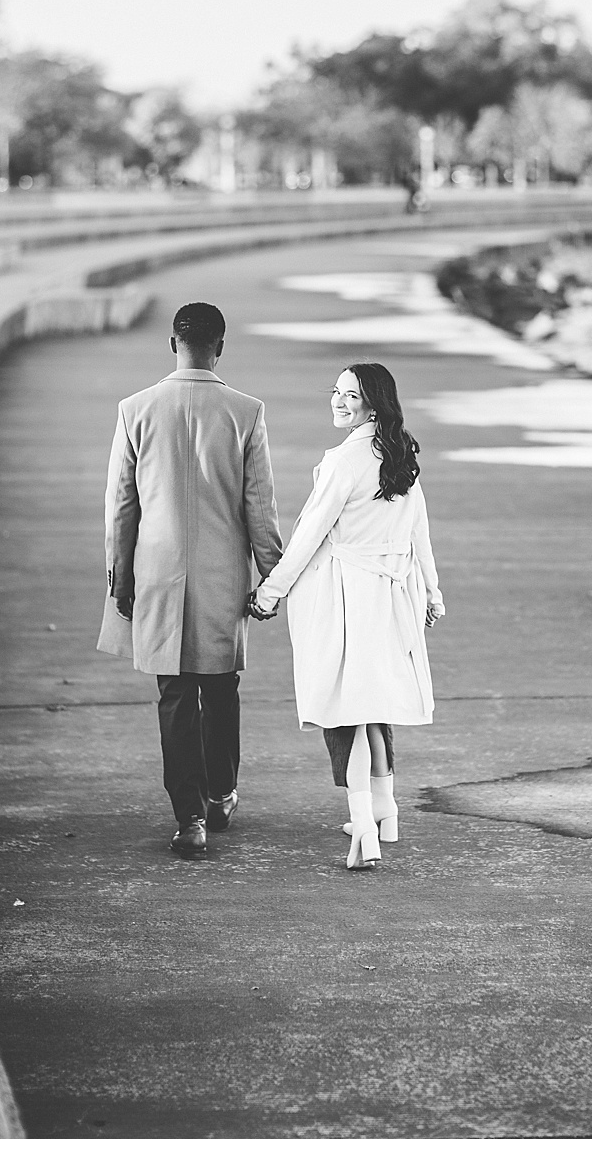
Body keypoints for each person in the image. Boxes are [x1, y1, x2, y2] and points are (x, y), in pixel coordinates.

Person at [101, 302, 283, 856]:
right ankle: (221, 794)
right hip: (222, 575)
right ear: (220, 346)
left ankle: (188, 819)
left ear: (172, 343)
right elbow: (259, 505)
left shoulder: (136, 409)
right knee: (221, 686)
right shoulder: (245, 411)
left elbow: (121, 505)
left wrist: (120, 576)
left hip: (156, 570)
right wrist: (272, 576)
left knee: (174, 693)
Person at [250, 361, 443, 870]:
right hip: (391, 593)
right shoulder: (400, 453)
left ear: (372, 404)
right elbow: (417, 531)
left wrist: (270, 592)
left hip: (342, 596)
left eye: (350, 395)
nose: (337, 402)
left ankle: (363, 830)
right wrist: (432, 593)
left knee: (345, 711)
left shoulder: (345, 460)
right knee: (372, 702)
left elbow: (310, 533)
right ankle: (385, 808)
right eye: (335, 392)